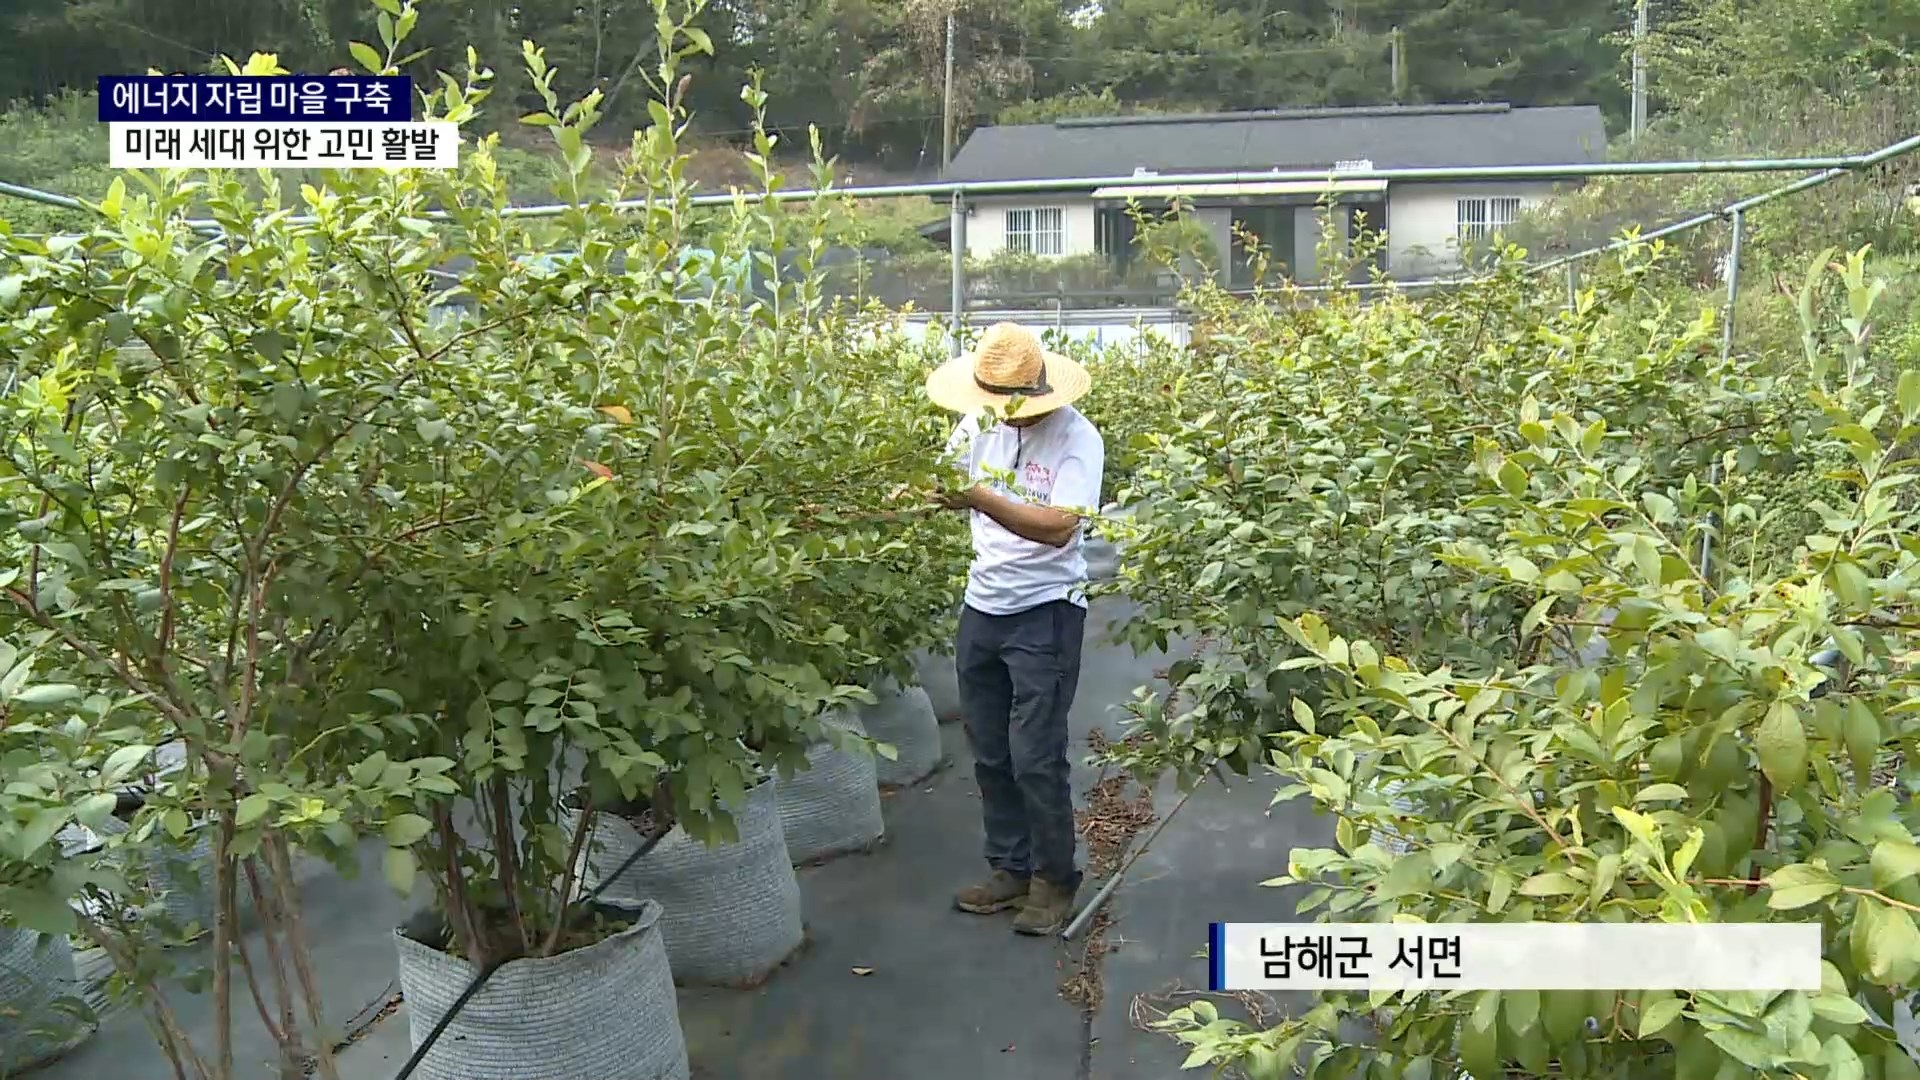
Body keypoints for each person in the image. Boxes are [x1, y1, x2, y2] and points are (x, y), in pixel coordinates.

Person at [922, 321, 1105, 936]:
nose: (1005, 415)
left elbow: (1060, 526)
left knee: (1035, 754)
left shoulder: (1077, 438)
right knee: (990, 749)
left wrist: (977, 497)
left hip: (1047, 609)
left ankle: (1054, 881)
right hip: (984, 605)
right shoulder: (977, 424)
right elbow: (946, 484)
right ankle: (1010, 868)